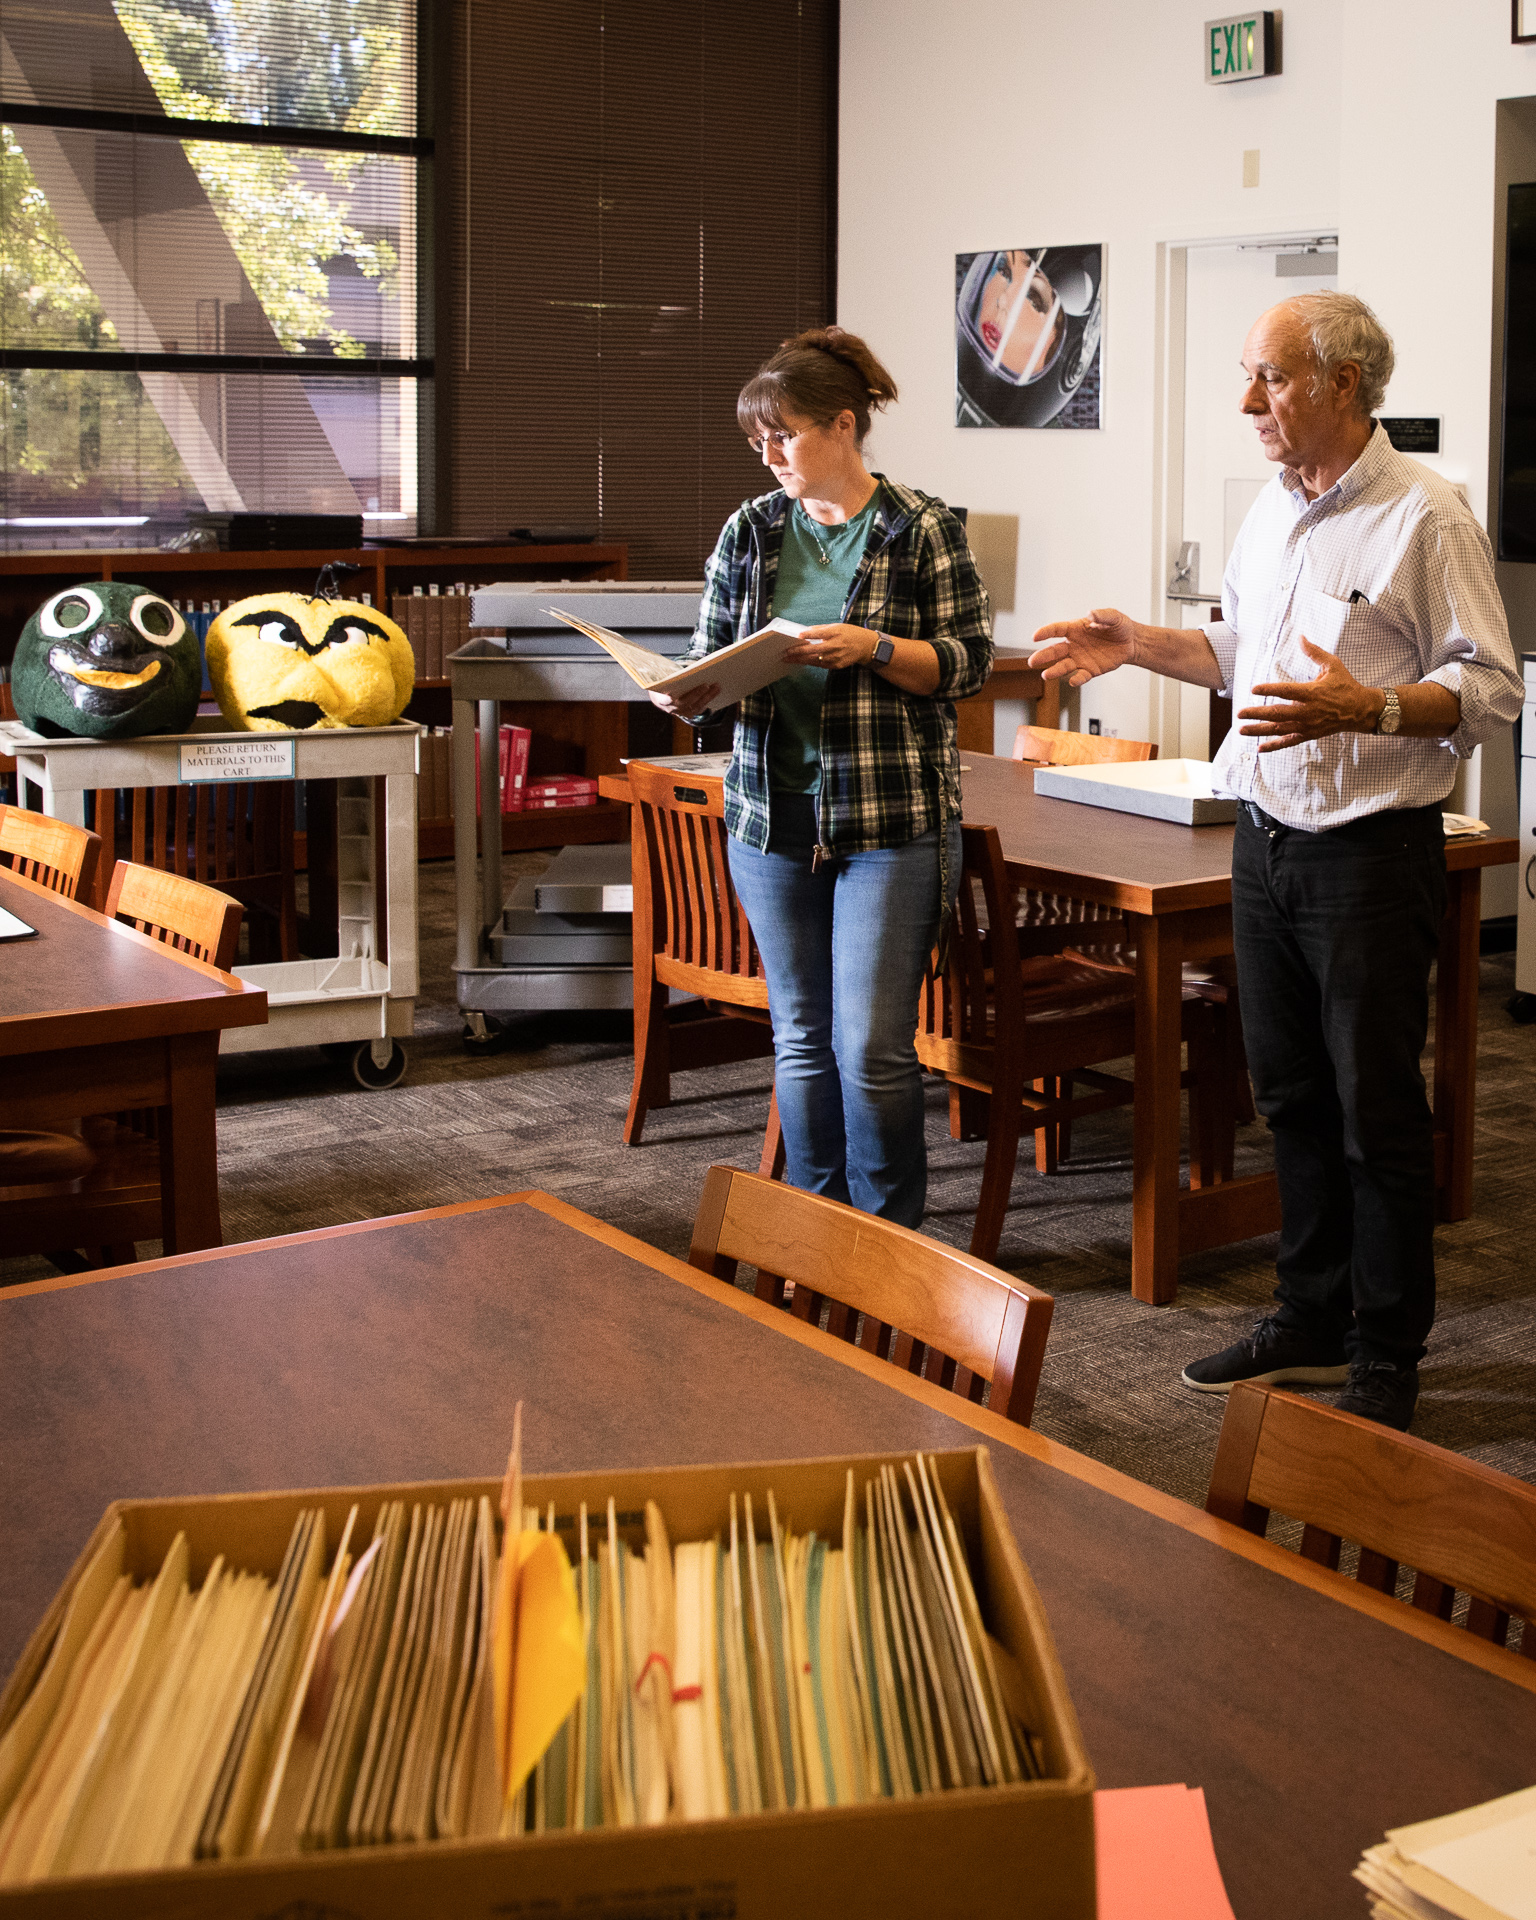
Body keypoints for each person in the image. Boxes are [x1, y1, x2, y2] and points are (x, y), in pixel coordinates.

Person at [1030, 292, 1522, 1431]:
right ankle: (1309, 1317)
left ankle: (1386, 1355)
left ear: (1345, 385)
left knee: (1376, 1112)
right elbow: (1244, 651)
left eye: (1273, 379)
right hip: (1264, 842)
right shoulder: (1276, 507)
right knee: (1288, 1097)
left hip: (1369, 854)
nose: (1248, 400)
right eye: (1249, 377)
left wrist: (1382, 706)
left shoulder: (1425, 515)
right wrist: (1141, 643)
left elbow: (1492, 688)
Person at [653, 326, 993, 1227]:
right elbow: (708, 654)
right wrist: (687, 692)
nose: (770, 457)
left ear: (844, 427)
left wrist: (876, 648)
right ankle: (815, 1227)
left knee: (871, 1046)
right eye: (757, 441)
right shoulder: (753, 529)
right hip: (771, 817)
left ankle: (889, 1242)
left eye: (786, 435)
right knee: (800, 1039)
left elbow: (968, 664)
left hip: (890, 824)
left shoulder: (921, 528)